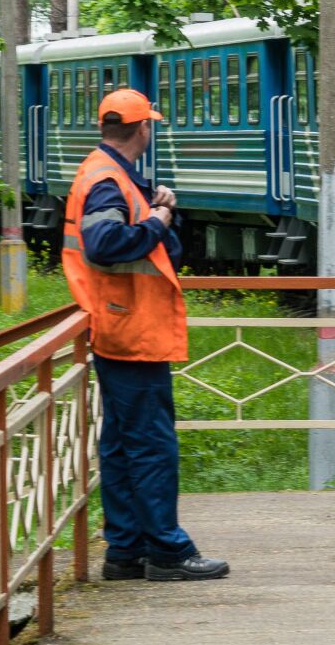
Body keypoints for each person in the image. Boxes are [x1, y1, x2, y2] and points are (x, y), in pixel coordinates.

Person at [60, 88, 229, 583]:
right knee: (151, 444)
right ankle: (167, 552)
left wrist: (156, 207)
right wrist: (157, 220)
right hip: (130, 327)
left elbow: (124, 237)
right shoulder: (108, 179)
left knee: (120, 443)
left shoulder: (109, 174)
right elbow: (108, 244)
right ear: (142, 129)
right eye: (151, 124)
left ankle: (126, 551)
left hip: (119, 323)